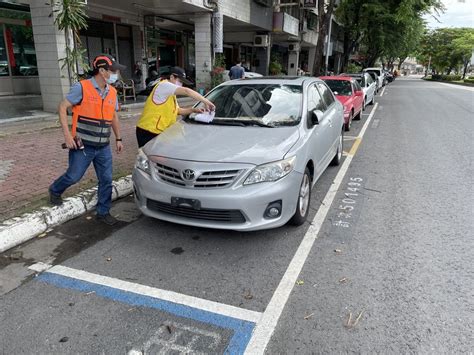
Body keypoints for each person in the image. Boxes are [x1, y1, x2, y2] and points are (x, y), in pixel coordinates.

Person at [48, 54, 125, 225]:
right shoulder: (82, 87)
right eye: (113, 70)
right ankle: (55, 189)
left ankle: (103, 212)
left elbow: (113, 116)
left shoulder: (112, 92)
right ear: (102, 70)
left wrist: (118, 138)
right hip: (83, 145)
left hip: (103, 146)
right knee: (74, 176)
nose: (116, 74)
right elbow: (62, 107)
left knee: (106, 179)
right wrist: (67, 135)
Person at [136, 66, 215, 148]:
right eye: (179, 81)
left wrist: (194, 110)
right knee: (149, 158)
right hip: (148, 131)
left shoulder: (171, 94)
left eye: (182, 82)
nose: (180, 84)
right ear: (171, 77)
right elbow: (186, 91)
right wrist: (206, 101)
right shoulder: (164, 85)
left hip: (159, 131)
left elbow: (177, 110)